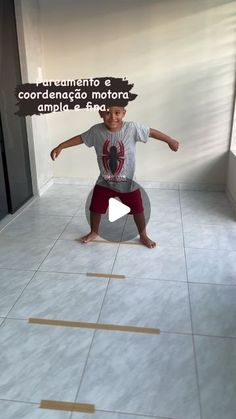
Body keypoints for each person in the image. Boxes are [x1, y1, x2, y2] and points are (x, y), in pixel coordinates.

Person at [50, 106, 179, 248]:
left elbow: (151, 132)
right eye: (107, 112)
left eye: (117, 113)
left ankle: (143, 235)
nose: (112, 117)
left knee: (138, 210)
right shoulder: (96, 131)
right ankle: (93, 232)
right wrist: (61, 146)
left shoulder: (132, 128)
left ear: (124, 113)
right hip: (105, 181)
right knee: (95, 208)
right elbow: (81, 138)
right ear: (100, 114)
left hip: (128, 183)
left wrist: (170, 140)